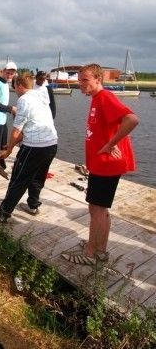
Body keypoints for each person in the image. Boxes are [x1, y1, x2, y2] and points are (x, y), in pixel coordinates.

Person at [62, 63, 138, 265]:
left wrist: (111, 143)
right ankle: (99, 249)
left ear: (98, 79)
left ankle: (91, 254)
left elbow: (132, 119)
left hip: (107, 165)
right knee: (99, 209)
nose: (80, 84)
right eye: (79, 80)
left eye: (84, 80)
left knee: (96, 210)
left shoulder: (105, 98)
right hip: (100, 164)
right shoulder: (96, 98)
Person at [0, 73, 58, 223]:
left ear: (20, 86)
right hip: (51, 144)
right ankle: (32, 206)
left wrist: (8, 150)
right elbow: (31, 126)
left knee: (19, 179)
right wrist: (12, 144)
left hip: (34, 148)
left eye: (15, 86)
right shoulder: (40, 96)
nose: (14, 89)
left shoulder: (23, 100)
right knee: (38, 177)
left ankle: (4, 213)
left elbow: (17, 130)